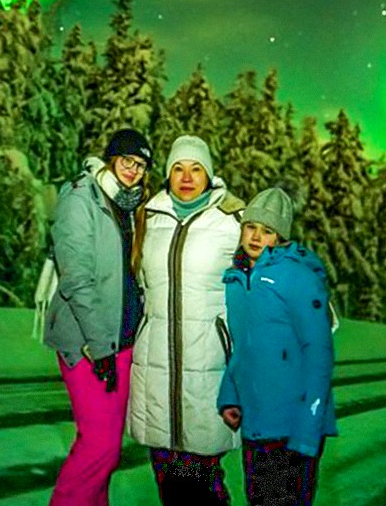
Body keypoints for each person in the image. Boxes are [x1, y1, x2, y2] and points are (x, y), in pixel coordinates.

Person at [127, 134, 246, 505]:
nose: (187, 176)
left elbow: (265, 274)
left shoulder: (232, 219)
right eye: (178, 168)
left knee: (200, 483)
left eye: (196, 168)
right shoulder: (148, 216)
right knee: (167, 481)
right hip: (156, 367)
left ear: (209, 174)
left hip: (208, 365)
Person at [43, 128, 154, 506]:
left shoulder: (128, 205)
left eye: (140, 165)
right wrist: (98, 344)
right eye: (127, 160)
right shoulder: (81, 197)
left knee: (107, 452)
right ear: (111, 158)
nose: (133, 170)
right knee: (99, 447)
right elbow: (76, 277)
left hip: (121, 343)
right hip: (89, 342)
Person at [217, 187, 337, 506]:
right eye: (251, 227)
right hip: (257, 425)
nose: (256, 237)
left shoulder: (297, 277)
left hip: (293, 427)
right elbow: (241, 346)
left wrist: (308, 429)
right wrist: (231, 395)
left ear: (280, 237)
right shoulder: (238, 280)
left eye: (267, 231)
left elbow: (318, 353)